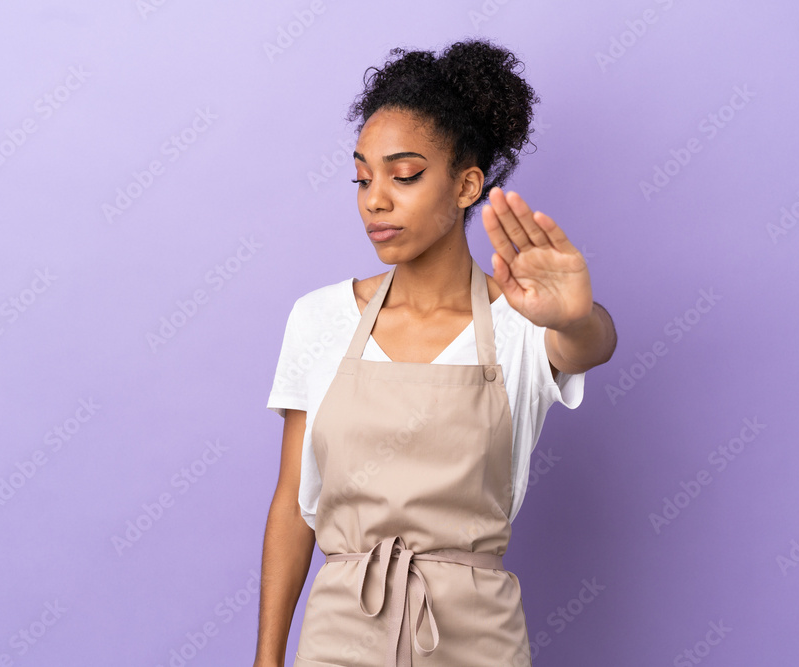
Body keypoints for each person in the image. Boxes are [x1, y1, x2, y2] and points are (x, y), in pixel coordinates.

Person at [255, 37, 617, 667]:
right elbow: (292, 504)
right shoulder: (319, 319)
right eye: (362, 177)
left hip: (477, 639)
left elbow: (589, 346)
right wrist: (267, 660)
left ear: (467, 184)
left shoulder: (521, 322)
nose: (375, 198)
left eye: (404, 175)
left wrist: (576, 317)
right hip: (340, 635)